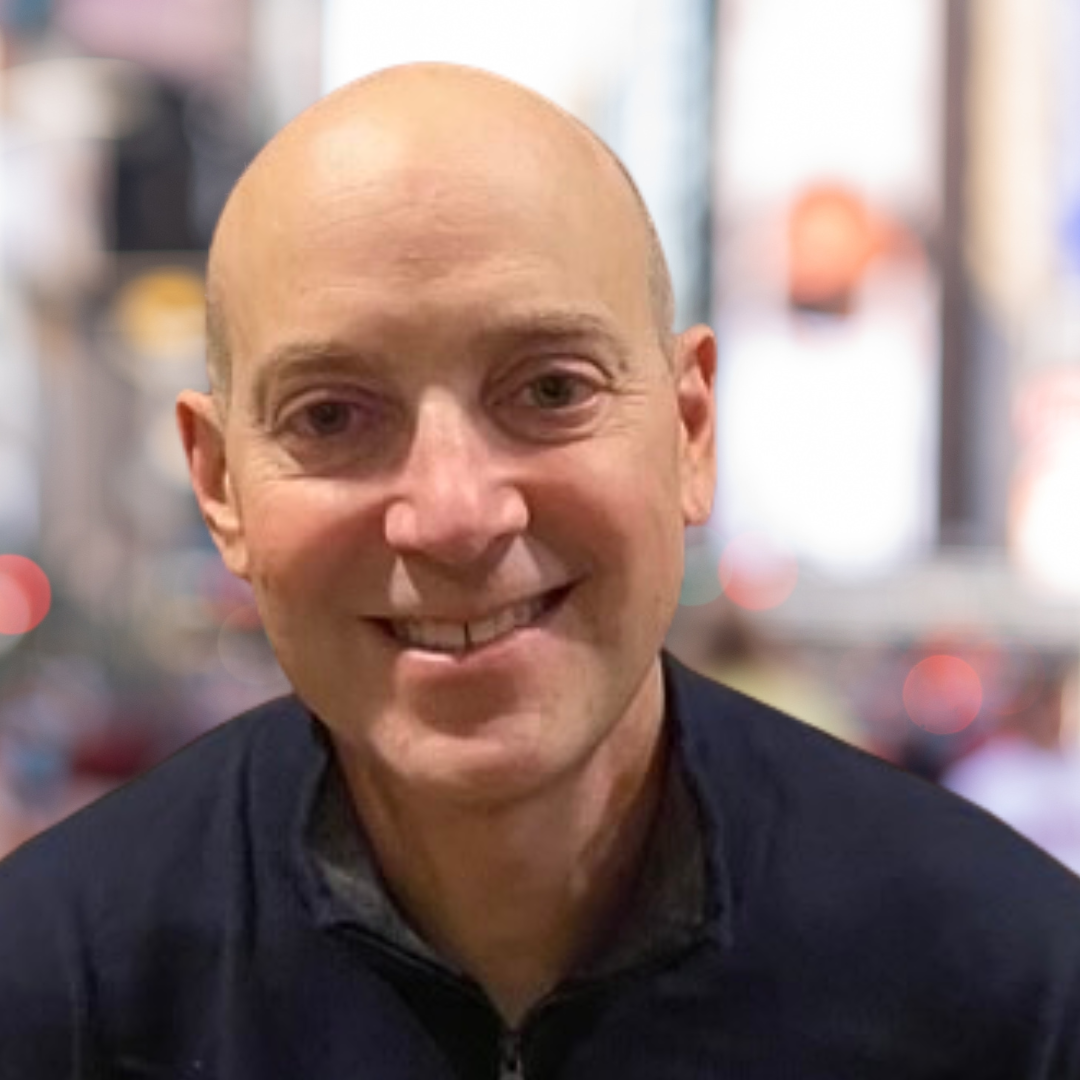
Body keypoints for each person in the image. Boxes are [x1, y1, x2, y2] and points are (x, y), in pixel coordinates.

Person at [0, 62, 1078, 1079]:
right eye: (331, 415)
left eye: (551, 391)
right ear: (222, 485)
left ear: (690, 434)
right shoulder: (56, 990)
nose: (455, 515)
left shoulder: (1008, 989)